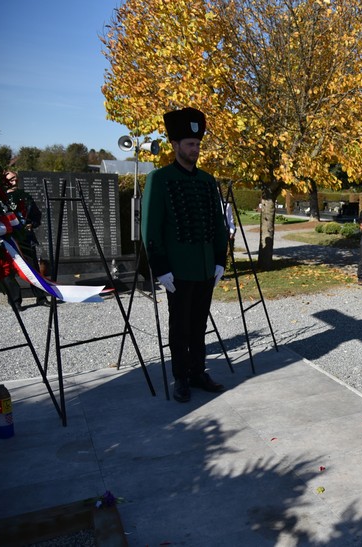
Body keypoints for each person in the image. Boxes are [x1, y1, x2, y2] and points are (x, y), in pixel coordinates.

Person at [142, 107, 229, 403]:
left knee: (199, 324)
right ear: (175, 145)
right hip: (177, 269)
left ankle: (197, 371)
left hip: (205, 267)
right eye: (190, 144)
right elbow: (151, 227)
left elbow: (217, 223)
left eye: (197, 144)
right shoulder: (159, 178)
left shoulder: (207, 180)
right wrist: (161, 266)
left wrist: (220, 259)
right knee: (179, 326)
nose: (195, 149)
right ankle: (180, 376)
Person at [3, 170, 48, 307]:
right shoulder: (0, 199)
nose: (14, 181)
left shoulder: (26, 197)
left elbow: (36, 216)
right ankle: (15, 301)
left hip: (26, 237)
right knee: (8, 272)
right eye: (10, 179)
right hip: (8, 239)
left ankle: (41, 298)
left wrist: (31, 224)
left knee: (33, 268)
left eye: (15, 178)